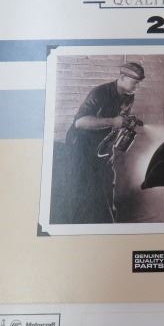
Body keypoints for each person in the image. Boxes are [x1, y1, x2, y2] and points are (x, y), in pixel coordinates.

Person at [63, 62, 145, 223]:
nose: (137, 86)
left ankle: (108, 225)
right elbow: (80, 122)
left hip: (103, 147)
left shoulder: (129, 95)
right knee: (83, 193)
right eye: (135, 82)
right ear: (123, 77)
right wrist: (113, 121)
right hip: (80, 147)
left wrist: (123, 126)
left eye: (139, 83)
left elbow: (118, 120)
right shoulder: (100, 93)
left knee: (107, 188)